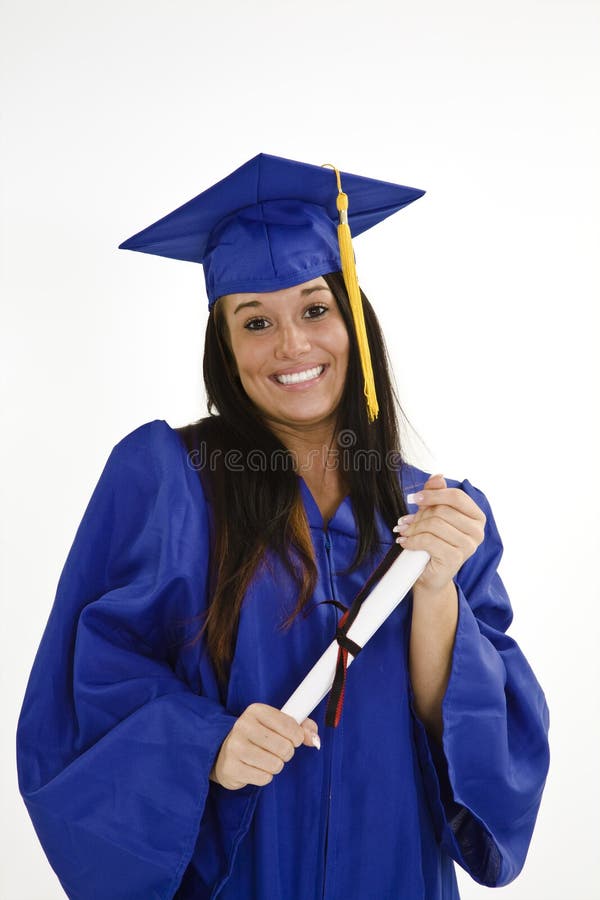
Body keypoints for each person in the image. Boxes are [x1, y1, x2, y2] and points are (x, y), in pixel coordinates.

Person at [16, 153, 550, 899]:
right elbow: (84, 683)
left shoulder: (436, 513)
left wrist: (437, 592)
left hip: (394, 870)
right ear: (226, 350)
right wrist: (205, 744)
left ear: (353, 321)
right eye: (255, 321)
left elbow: (489, 754)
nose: (293, 345)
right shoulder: (169, 480)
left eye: (315, 309)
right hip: (244, 871)